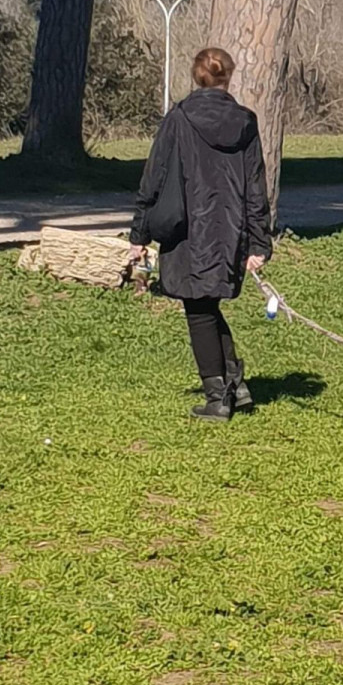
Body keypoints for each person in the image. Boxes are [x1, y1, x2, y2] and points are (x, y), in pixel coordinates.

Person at [129, 47, 272, 422]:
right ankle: (234, 385)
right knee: (206, 304)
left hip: (188, 227)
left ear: (197, 77)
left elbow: (155, 175)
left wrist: (139, 231)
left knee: (198, 309)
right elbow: (256, 186)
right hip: (229, 229)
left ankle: (217, 397)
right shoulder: (245, 121)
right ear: (227, 77)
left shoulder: (179, 118)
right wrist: (259, 241)